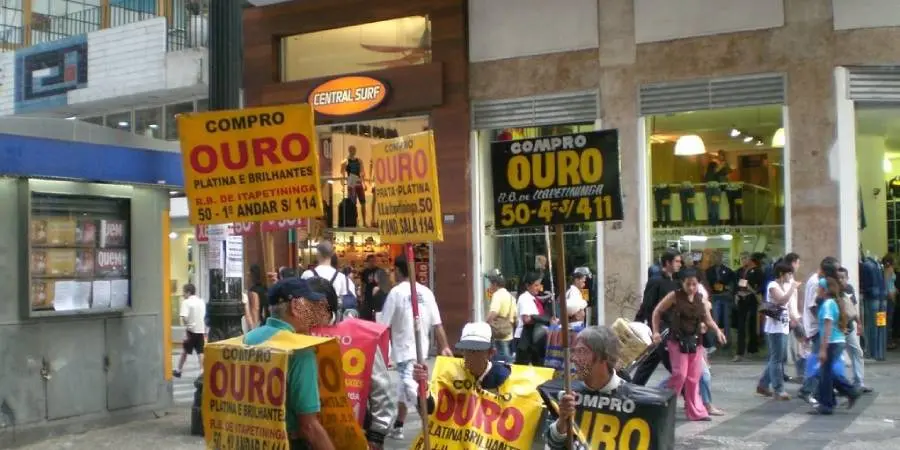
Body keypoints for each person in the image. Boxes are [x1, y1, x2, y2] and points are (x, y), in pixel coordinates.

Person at [245, 277, 335, 450]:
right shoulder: (300, 351)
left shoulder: (247, 339)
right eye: (309, 305)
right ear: (295, 306)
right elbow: (309, 427)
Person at [306, 277, 394, 450]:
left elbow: (381, 390)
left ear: (324, 306)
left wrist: (377, 436)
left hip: (354, 433)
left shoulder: (360, 338)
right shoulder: (296, 334)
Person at [379, 255, 452, 440]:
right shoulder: (426, 292)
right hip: (420, 352)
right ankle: (399, 425)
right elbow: (437, 323)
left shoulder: (395, 293)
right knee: (404, 390)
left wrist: (382, 353)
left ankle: (432, 428)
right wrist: (444, 346)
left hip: (404, 353)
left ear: (397, 270)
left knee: (415, 392)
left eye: (393, 270)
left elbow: (383, 327)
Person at [651, 269, 727, 421]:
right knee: (680, 375)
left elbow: (708, 319)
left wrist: (718, 331)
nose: (691, 287)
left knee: (693, 378)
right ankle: (664, 405)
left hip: (695, 342)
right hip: (677, 341)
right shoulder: (674, 296)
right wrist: (655, 332)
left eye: (694, 284)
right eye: (688, 284)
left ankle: (695, 411)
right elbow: (657, 311)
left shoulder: (700, 299)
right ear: (682, 283)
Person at [546, 326, 629, 449]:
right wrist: (562, 420)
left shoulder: (629, 399)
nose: (573, 358)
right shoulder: (567, 394)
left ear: (604, 356)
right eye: (574, 351)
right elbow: (551, 445)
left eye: (582, 351)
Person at [411, 322, 513, 413]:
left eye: (475, 351)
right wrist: (423, 385)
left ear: (491, 353)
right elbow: (430, 409)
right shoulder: (451, 375)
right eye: (466, 349)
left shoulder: (504, 377)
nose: (469, 356)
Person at [811, 276, 861, 415]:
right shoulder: (832, 302)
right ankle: (845, 394)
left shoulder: (828, 304)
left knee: (825, 373)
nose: (817, 289)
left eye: (819, 287)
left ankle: (827, 404)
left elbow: (827, 327)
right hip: (836, 341)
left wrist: (823, 349)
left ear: (825, 289)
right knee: (826, 372)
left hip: (832, 342)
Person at [632, 249, 682, 385]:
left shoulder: (675, 281)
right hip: (660, 330)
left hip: (670, 327)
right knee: (675, 366)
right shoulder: (656, 281)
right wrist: (639, 325)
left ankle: (633, 388)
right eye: (677, 261)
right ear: (668, 262)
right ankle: (688, 393)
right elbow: (647, 305)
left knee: (649, 363)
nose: (680, 264)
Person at [798, 257, 840, 405]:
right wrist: (824, 322)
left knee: (820, 361)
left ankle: (817, 391)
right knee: (818, 361)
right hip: (816, 328)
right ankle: (807, 390)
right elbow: (813, 306)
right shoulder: (817, 282)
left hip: (817, 327)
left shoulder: (817, 280)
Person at [757, 262, 801, 400]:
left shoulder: (785, 286)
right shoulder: (773, 285)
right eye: (789, 273)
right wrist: (792, 288)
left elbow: (787, 306)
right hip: (775, 328)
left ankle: (763, 384)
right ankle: (778, 389)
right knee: (777, 359)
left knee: (777, 357)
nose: (790, 276)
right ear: (782, 274)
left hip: (784, 325)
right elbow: (781, 301)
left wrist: (794, 318)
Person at [837, 267, 872, 393]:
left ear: (847, 278)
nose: (841, 280)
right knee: (838, 358)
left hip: (850, 328)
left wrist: (859, 323)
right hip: (839, 330)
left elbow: (853, 307)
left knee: (857, 352)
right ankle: (839, 385)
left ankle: (859, 382)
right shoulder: (834, 291)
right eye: (838, 277)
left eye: (843, 277)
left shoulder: (849, 289)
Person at [514, 272, 556, 366]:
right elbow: (526, 320)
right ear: (528, 286)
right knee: (523, 367)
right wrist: (545, 320)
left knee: (538, 366)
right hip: (524, 338)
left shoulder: (534, 299)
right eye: (536, 285)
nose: (538, 288)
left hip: (535, 336)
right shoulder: (524, 298)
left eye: (539, 285)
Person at [301, 241, 356, 308]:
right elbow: (351, 301)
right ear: (332, 255)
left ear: (318, 254)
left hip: (311, 313)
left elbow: (300, 298)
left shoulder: (307, 274)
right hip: (334, 313)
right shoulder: (342, 277)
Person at [733, 253, 764, 362]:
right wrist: (736, 294)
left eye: (745, 258)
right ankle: (739, 352)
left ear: (750, 259)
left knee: (752, 324)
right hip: (741, 299)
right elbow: (736, 285)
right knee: (741, 326)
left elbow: (761, 286)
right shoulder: (739, 271)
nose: (743, 260)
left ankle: (752, 349)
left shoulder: (757, 270)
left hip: (752, 299)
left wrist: (753, 290)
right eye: (741, 258)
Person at [174, 283, 206, 378]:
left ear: (188, 292)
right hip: (200, 329)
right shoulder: (201, 301)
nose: (183, 294)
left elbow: (184, 317)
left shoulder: (186, 302)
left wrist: (187, 325)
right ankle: (202, 371)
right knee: (200, 352)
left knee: (185, 350)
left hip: (191, 330)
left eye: (184, 292)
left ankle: (178, 370)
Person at [485, 269, 516, 362]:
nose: (490, 286)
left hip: (498, 335)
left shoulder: (497, 295)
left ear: (495, 284)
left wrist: (486, 323)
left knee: (500, 361)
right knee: (508, 359)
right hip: (509, 334)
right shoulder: (511, 297)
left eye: (490, 284)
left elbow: (493, 312)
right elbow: (515, 317)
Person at [341, 145, 367, 226]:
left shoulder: (359, 160)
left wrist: (364, 183)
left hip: (358, 181)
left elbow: (362, 172)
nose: (353, 151)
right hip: (351, 181)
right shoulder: (345, 162)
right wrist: (342, 185)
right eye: (351, 149)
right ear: (349, 150)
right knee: (353, 204)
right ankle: (354, 222)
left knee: (363, 202)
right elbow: (342, 174)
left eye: (354, 149)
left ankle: (364, 222)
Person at [359, 255, 380, 321]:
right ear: (367, 262)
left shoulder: (379, 271)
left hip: (377, 296)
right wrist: (362, 296)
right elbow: (363, 284)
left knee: (377, 315)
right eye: (371, 261)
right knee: (367, 315)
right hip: (367, 295)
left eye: (374, 261)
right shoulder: (365, 272)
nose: (372, 262)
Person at [247, 264, 267, 329]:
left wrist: (254, 327)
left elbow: (255, 309)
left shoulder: (253, 290)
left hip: (257, 323)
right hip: (265, 321)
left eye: (249, 274)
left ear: (252, 275)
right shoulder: (265, 288)